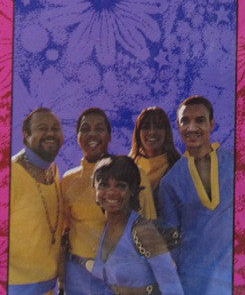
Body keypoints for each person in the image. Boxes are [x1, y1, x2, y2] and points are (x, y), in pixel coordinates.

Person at [61, 108, 157, 294]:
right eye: (85, 129)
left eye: (99, 128)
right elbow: (63, 234)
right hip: (78, 276)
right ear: (78, 136)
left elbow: (150, 227)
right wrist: (62, 279)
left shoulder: (134, 174)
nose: (92, 134)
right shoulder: (68, 181)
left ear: (110, 135)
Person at [157, 96, 234, 295]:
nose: (192, 127)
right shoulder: (170, 182)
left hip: (234, 275)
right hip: (193, 281)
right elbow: (171, 238)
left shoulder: (236, 164)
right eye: (185, 121)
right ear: (178, 126)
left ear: (212, 124)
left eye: (200, 120)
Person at [89, 156, 184, 295]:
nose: (111, 192)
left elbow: (172, 286)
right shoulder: (107, 228)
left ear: (132, 190)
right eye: (104, 185)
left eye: (120, 185)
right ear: (94, 189)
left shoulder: (142, 230)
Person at [9, 107, 65, 294]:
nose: (50, 133)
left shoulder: (54, 170)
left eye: (55, 128)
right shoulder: (10, 173)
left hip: (48, 286)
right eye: (42, 128)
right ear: (26, 135)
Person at [129, 107, 181, 192]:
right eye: (146, 127)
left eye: (158, 127)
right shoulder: (128, 166)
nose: (152, 132)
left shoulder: (179, 168)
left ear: (166, 132)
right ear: (138, 133)